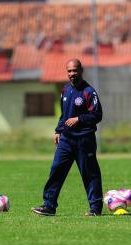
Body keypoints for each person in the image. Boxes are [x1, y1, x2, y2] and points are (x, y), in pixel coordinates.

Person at [32, 59, 103, 216]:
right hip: (66, 140)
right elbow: (64, 114)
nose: (72, 74)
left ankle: (96, 208)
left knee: (89, 173)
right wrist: (58, 130)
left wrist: (79, 119)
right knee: (56, 170)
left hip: (84, 140)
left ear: (81, 71)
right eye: (69, 71)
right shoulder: (65, 90)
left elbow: (97, 115)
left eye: (75, 70)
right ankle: (49, 206)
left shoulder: (89, 92)